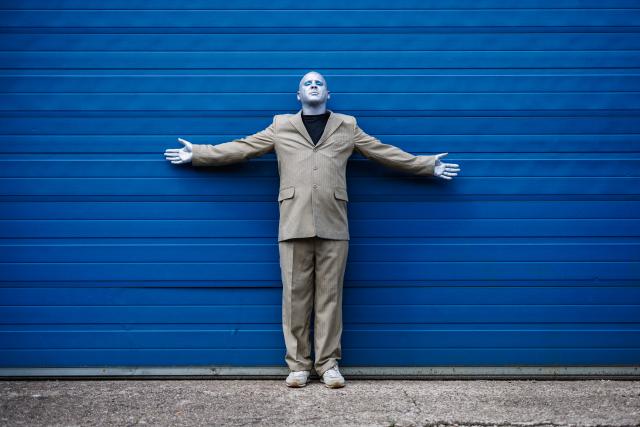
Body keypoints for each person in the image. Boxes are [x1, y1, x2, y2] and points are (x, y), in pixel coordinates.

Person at [164, 71, 460, 388]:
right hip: (293, 221)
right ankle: (298, 366)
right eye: (308, 83)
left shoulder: (347, 126)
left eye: (319, 83)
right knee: (295, 297)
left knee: (330, 297)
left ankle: (328, 364)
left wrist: (425, 164)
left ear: (328, 94)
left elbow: (382, 151)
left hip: (334, 222)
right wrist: (199, 153)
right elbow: (242, 147)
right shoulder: (280, 126)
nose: (314, 86)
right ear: (298, 95)